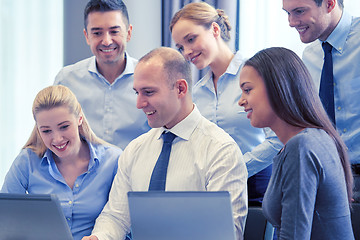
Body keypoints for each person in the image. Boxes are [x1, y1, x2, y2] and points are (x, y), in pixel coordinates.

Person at [82, 47, 248, 240]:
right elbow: (116, 217)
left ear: (180, 88)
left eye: (149, 92)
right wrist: (99, 237)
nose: (139, 103)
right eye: (137, 92)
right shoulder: (136, 149)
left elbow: (226, 234)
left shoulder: (221, 150)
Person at [170, 2, 283, 206]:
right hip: (212, 191)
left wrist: (236, 168)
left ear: (214, 29)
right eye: (180, 47)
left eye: (191, 39)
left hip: (257, 188)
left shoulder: (257, 73)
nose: (186, 52)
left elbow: (278, 139)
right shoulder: (196, 92)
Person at [238, 47, 354, 239]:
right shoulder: (314, 138)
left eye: (247, 90)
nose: (241, 101)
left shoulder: (301, 147)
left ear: (278, 87)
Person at [1, 85, 122, 240]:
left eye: (64, 127)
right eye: (46, 131)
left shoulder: (113, 160)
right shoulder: (27, 161)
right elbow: (6, 218)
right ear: (38, 130)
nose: (57, 139)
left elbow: (123, 220)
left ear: (79, 118)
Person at [283, 0, 360, 202]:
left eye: (299, 11)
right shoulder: (310, 56)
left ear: (329, 4)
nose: (291, 22)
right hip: (331, 177)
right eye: (288, 13)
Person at [54, 0, 150, 150]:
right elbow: (52, 134)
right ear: (87, 36)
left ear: (128, 33)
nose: (106, 41)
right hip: (84, 173)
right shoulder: (66, 80)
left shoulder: (151, 78)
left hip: (138, 171)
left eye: (114, 31)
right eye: (97, 33)